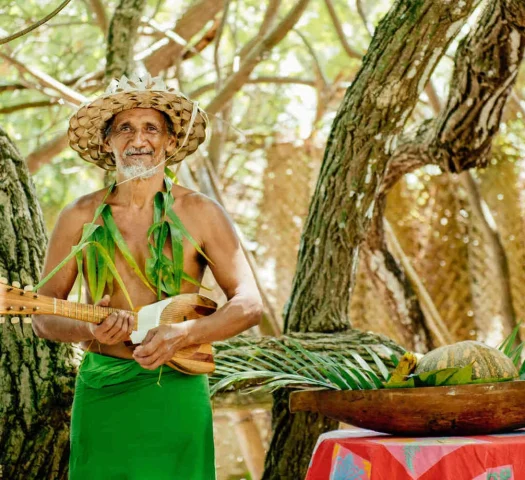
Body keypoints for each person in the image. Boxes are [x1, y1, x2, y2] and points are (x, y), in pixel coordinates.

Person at [32, 74, 263, 479]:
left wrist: (186, 334)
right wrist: (88, 331)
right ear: (108, 142)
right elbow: (42, 316)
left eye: (151, 128)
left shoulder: (201, 213)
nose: (138, 139)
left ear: (170, 142)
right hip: (104, 388)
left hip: (177, 388)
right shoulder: (79, 217)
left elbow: (249, 304)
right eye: (125, 128)